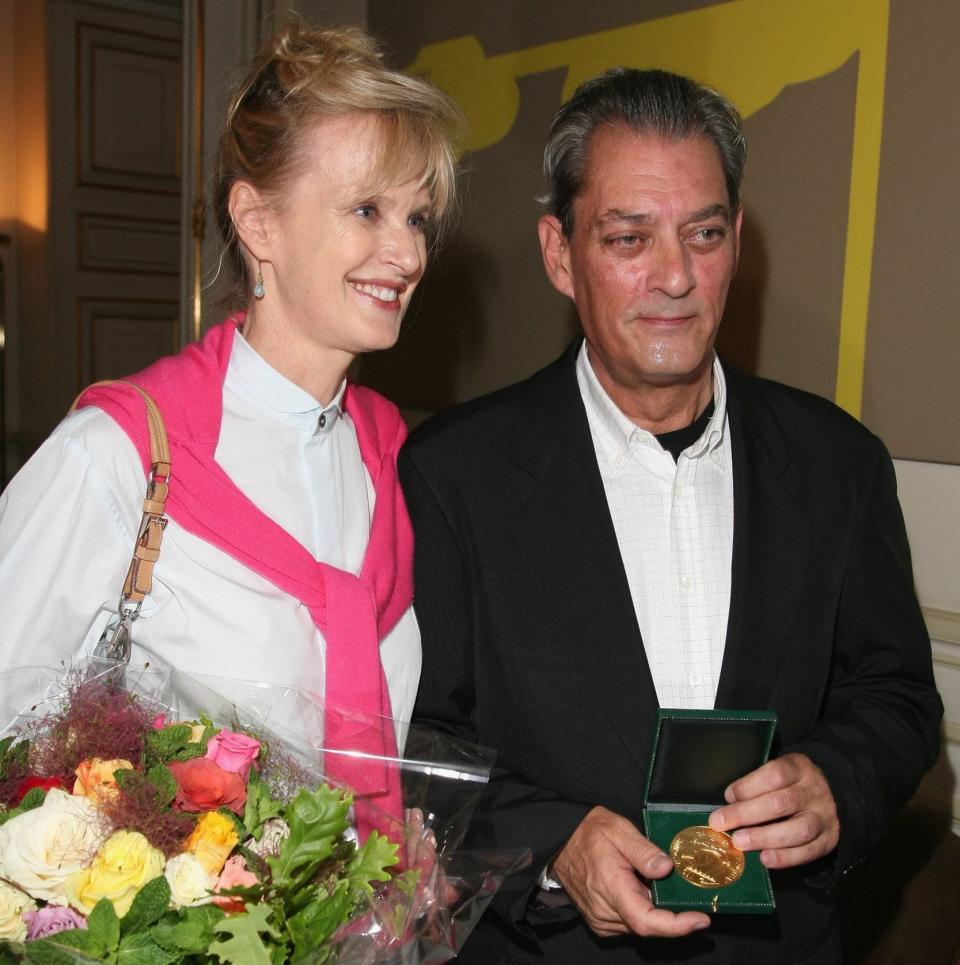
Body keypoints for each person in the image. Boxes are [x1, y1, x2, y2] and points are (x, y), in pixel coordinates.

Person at [399, 67, 942, 963]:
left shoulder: (839, 463)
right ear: (559, 253)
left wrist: (837, 781)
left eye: (706, 232)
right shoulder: (454, 474)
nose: (676, 277)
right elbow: (420, 742)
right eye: (627, 237)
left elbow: (895, 693)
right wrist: (552, 842)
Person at [0, 22, 462, 825]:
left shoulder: (392, 455)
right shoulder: (115, 459)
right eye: (367, 209)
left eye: (417, 218)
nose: (408, 253)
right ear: (258, 224)